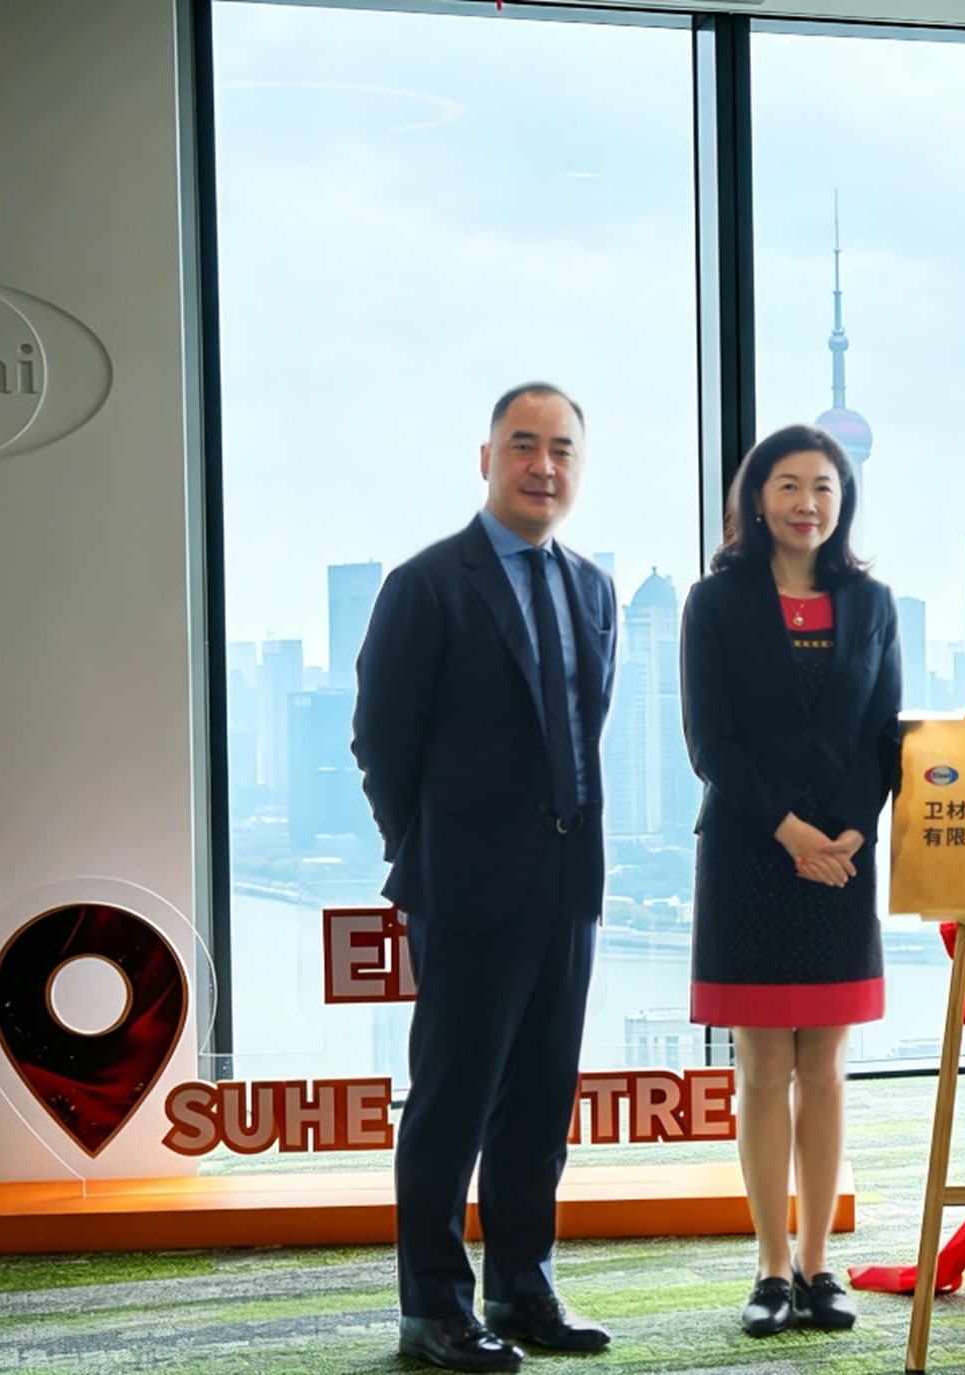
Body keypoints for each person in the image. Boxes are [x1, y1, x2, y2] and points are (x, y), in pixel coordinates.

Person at [352, 382, 618, 1372]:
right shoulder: (428, 584)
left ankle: (522, 1283)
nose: (543, 466)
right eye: (523, 445)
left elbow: (582, 731)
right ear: (486, 458)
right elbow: (383, 739)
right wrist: (429, 850)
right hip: (465, 886)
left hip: (568, 882)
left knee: (540, 1102)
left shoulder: (592, 588)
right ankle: (433, 1308)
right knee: (452, 1103)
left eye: (562, 449)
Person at [680, 423, 902, 1338]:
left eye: (824, 487)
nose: (807, 502)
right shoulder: (715, 601)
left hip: (841, 857)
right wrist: (789, 829)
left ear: (843, 501)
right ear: (757, 497)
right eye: (788, 485)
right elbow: (711, 739)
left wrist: (846, 829)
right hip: (750, 852)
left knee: (827, 1068)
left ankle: (818, 1263)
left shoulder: (872, 600)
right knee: (764, 1067)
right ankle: (771, 1265)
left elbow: (883, 731)